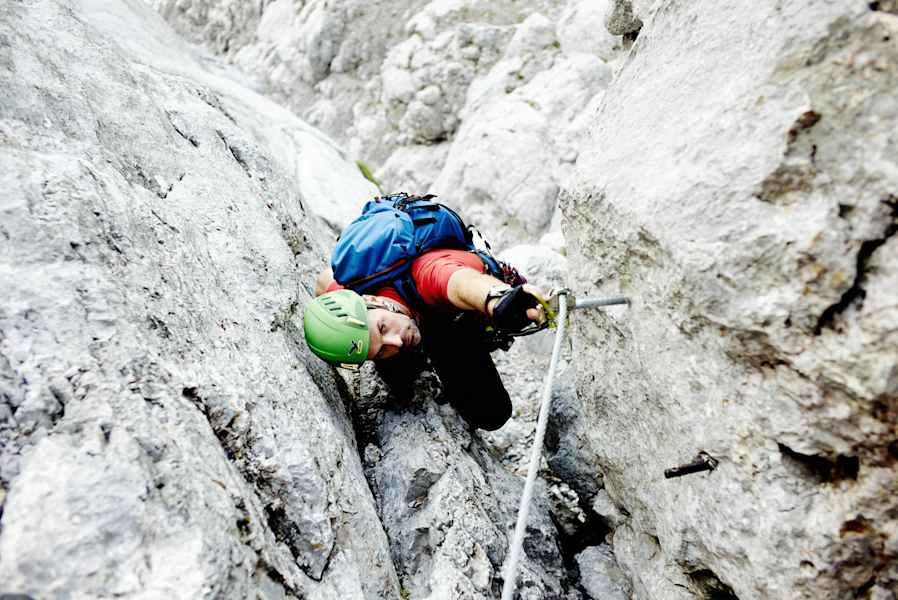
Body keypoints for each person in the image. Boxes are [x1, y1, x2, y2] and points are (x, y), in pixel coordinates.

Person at [304, 246, 548, 431]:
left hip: (445, 318)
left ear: (371, 300)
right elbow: (324, 280)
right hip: (407, 315)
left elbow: (461, 282)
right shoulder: (351, 302)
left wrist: (498, 301)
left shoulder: (425, 274)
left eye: (382, 328)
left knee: (490, 414)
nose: (396, 342)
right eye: (378, 351)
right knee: (400, 379)